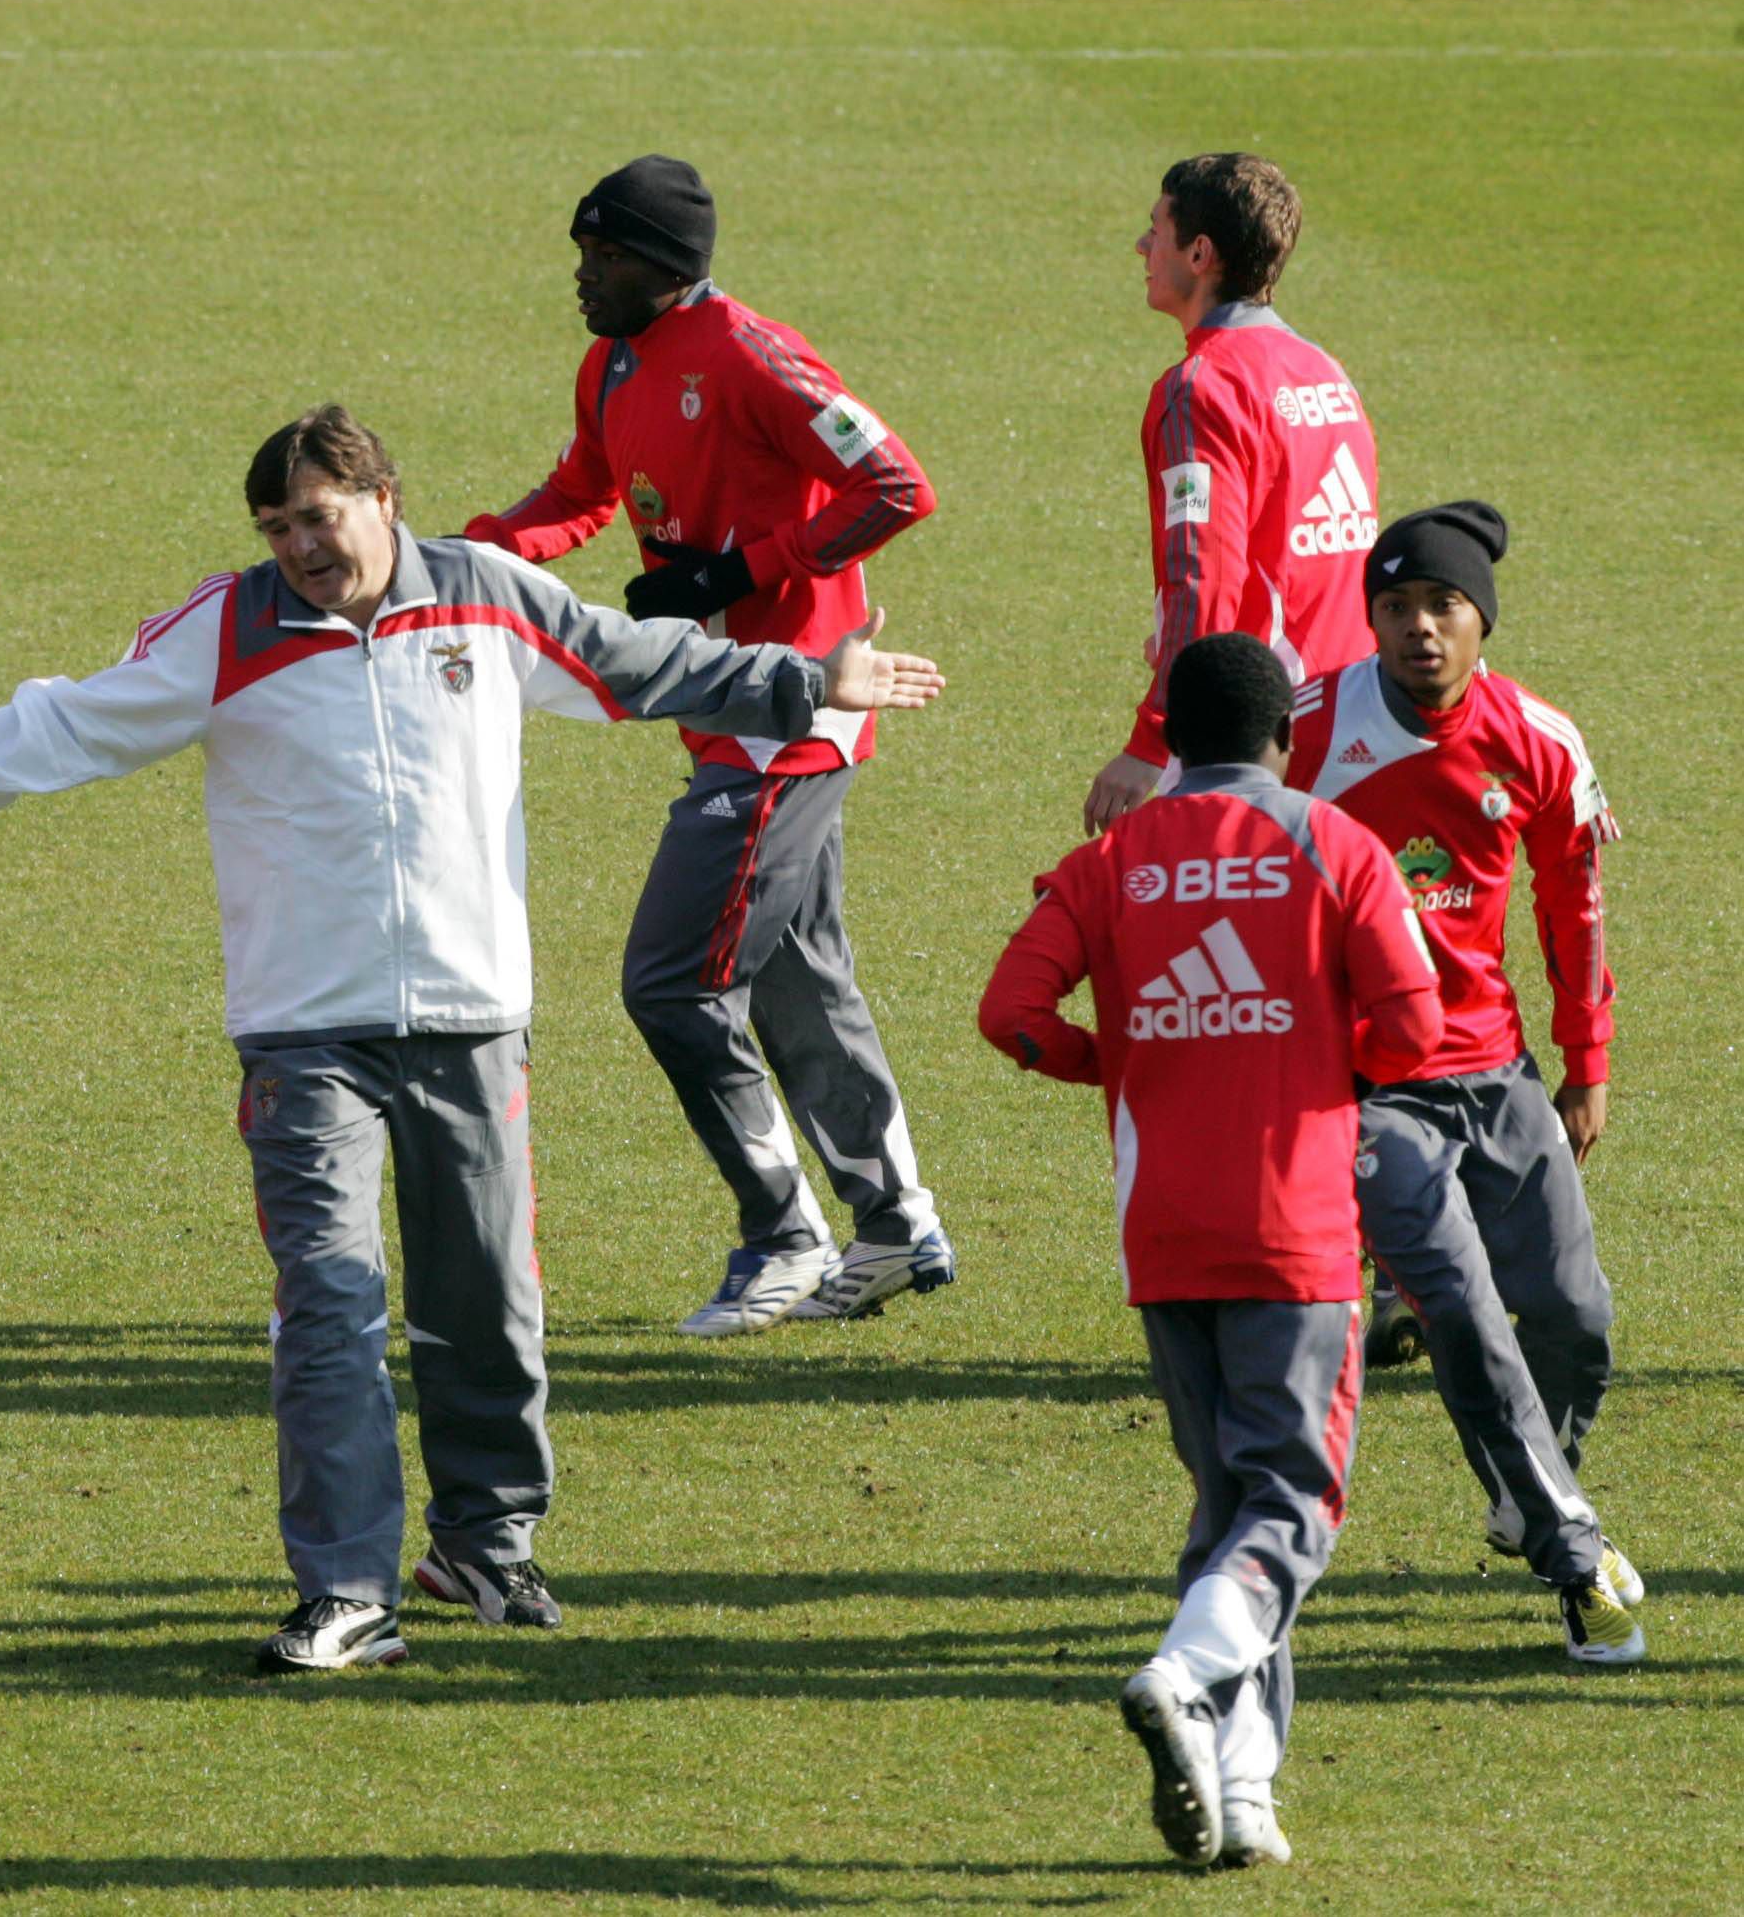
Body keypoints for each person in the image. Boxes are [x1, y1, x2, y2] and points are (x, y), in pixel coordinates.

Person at [0, 406, 946, 1673]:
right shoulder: (227, 631)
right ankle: (346, 1589)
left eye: (321, 517)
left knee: (488, 1303)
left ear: (385, 500)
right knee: (333, 1304)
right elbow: (68, 725)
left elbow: (634, 662)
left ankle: (487, 1547)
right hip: (304, 1035)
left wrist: (802, 679)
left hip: (474, 1019)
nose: (301, 545)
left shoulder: (486, 594)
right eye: (279, 525)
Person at [462, 156, 953, 1334]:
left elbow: (896, 484)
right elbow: (587, 487)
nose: (583, 276)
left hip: (789, 723)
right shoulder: (613, 362)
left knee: (673, 982)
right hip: (725, 720)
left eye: (604, 256)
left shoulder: (750, 355)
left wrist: (741, 572)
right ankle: (893, 1225)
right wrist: (475, 559)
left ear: (663, 263)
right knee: (800, 978)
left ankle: (782, 1234)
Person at [979, 633, 1442, 1870]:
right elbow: (1412, 1028)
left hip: (1163, 1231)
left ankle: (1242, 1792)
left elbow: (1009, 1015)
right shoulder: (1336, 846)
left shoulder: (1109, 859)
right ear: (1285, 737)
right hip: (1296, 1231)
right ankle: (1184, 1679)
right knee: (1293, 1501)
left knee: (1228, 1512)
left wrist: (1116, 1062)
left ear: (1173, 740)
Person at [1286, 501, 1643, 1663]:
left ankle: (1526, 1486)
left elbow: (1572, 907)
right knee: (1468, 1320)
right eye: (1395, 607)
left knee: (1575, 1318)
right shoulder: (1311, 725)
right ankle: (1569, 1551)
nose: (1419, 628)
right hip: (1365, 1084)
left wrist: (1584, 1064)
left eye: (1443, 605)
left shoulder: (1539, 738)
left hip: (1495, 1066)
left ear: (1480, 619)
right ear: (1370, 619)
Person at [1083, 153, 1378, 840]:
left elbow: (1202, 577)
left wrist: (1153, 740)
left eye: (1154, 229)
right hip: (1352, 713)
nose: (1141, 246)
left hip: (1251, 732)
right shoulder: (1323, 371)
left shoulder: (1200, 388)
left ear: (1199, 251)